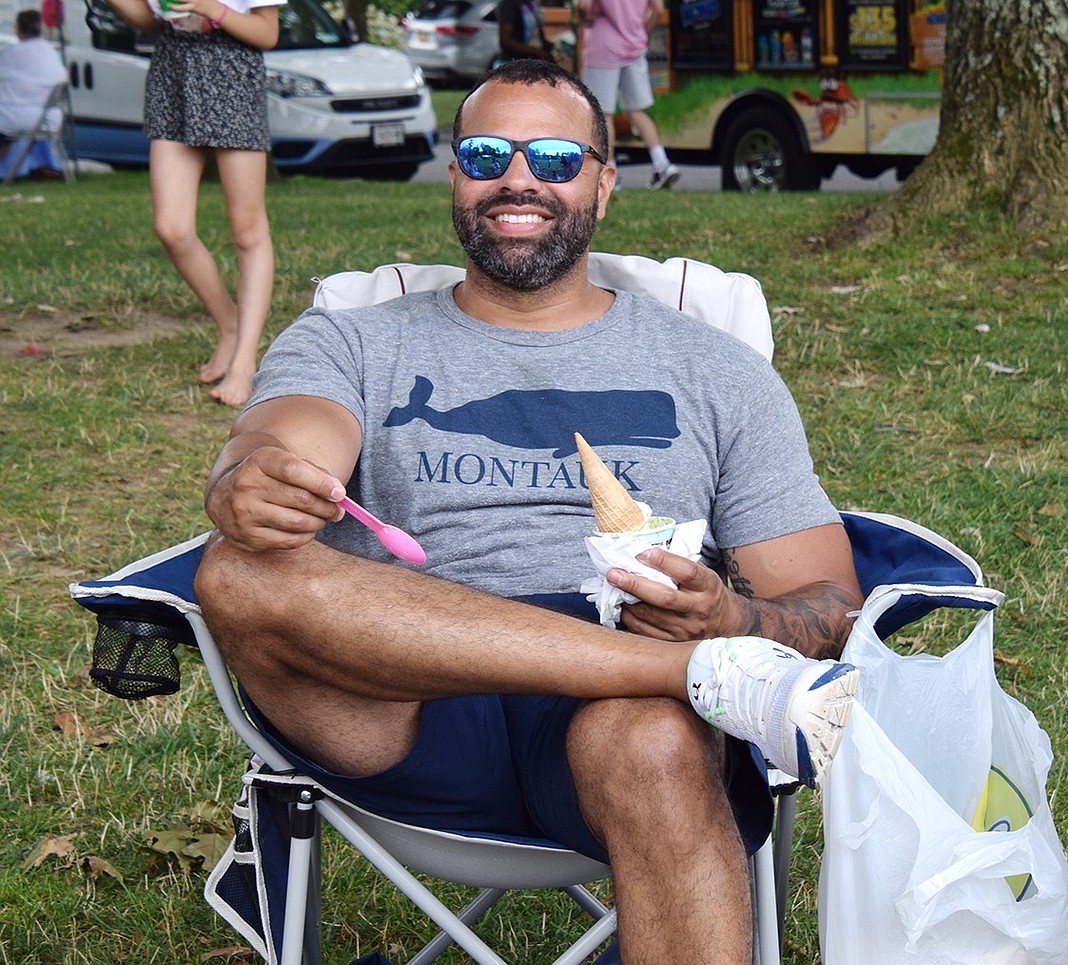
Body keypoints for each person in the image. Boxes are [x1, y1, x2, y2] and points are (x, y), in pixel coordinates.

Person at [194, 60, 864, 963]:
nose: (519, 178)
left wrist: (734, 615)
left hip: (620, 728)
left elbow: (831, 600)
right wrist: (253, 478)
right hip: (398, 697)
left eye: (554, 156)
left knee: (657, 741)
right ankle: (701, 673)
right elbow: (282, 442)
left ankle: (690, 675)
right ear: (454, 176)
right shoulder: (353, 336)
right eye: (486, 153)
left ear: (604, 181)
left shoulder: (717, 370)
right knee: (238, 565)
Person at [103, 0, 283, 407]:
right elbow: (151, 21)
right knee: (171, 227)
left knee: (246, 228)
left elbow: (267, 34)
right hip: (172, 67)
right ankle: (230, 325)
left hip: (231, 72)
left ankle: (243, 362)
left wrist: (211, 8)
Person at [576, 0, 678, 189]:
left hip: (603, 47)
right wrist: (640, 31)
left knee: (603, 114)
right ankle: (662, 163)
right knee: (636, 110)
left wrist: (582, 18)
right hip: (634, 46)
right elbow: (658, 9)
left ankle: (609, 173)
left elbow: (584, 7)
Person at [0, 9, 68, 180]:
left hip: (15, 120)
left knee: (4, 130)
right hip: (49, 119)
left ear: (17, 29)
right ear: (41, 28)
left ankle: (8, 171)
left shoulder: (10, 53)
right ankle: (42, 167)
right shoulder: (51, 54)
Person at [496, 0, 556, 65]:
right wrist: (538, 52)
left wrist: (550, 48)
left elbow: (536, 35)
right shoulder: (509, 4)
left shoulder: (531, 4)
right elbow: (505, 41)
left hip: (533, 62)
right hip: (515, 64)